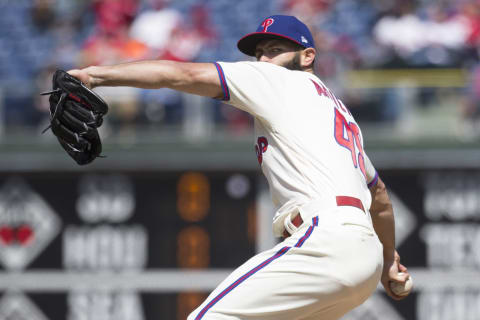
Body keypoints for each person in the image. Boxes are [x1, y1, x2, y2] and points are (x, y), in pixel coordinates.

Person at [68, 15, 411, 320]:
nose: (263, 58)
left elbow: (182, 74)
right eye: (259, 52)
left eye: (275, 48)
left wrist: (93, 75)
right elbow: (378, 196)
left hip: (326, 242)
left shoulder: (282, 82)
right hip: (363, 258)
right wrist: (387, 262)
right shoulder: (339, 114)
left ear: (308, 56)